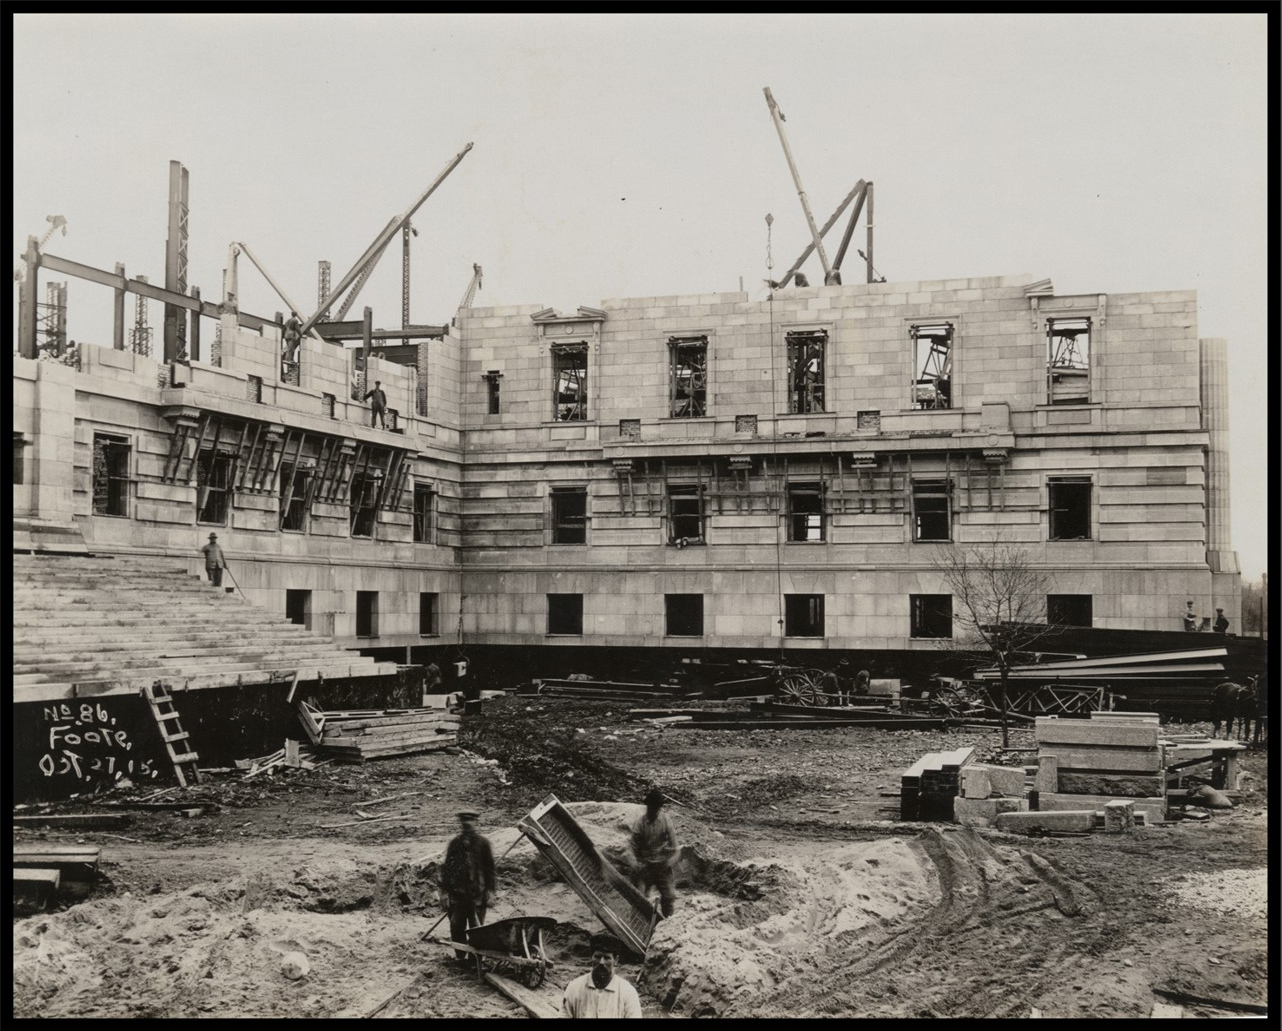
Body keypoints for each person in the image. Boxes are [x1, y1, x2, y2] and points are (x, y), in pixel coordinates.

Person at [440, 809, 496, 961]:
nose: (467, 824)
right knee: (456, 927)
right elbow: (447, 869)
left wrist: (491, 891)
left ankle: (475, 959)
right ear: (461, 823)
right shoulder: (455, 844)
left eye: (470, 821)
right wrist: (445, 893)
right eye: (464, 821)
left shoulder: (483, 844)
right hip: (458, 896)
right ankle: (460, 957)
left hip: (477, 895)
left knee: (477, 929)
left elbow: (490, 869)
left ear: (475, 822)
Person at [561, 932, 643, 1019]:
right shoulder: (574, 988)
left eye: (607, 958)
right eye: (597, 956)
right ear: (591, 957)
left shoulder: (628, 993)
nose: (601, 962)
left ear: (616, 960)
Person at [628, 787, 678, 918]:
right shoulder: (640, 824)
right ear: (647, 806)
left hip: (662, 866)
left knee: (669, 897)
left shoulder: (666, 821)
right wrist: (636, 863)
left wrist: (670, 860)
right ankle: (637, 923)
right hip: (645, 866)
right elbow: (632, 847)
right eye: (652, 807)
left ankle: (668, 923)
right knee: (639, 900)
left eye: (657, 808)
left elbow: (675, 846)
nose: (654, 811)